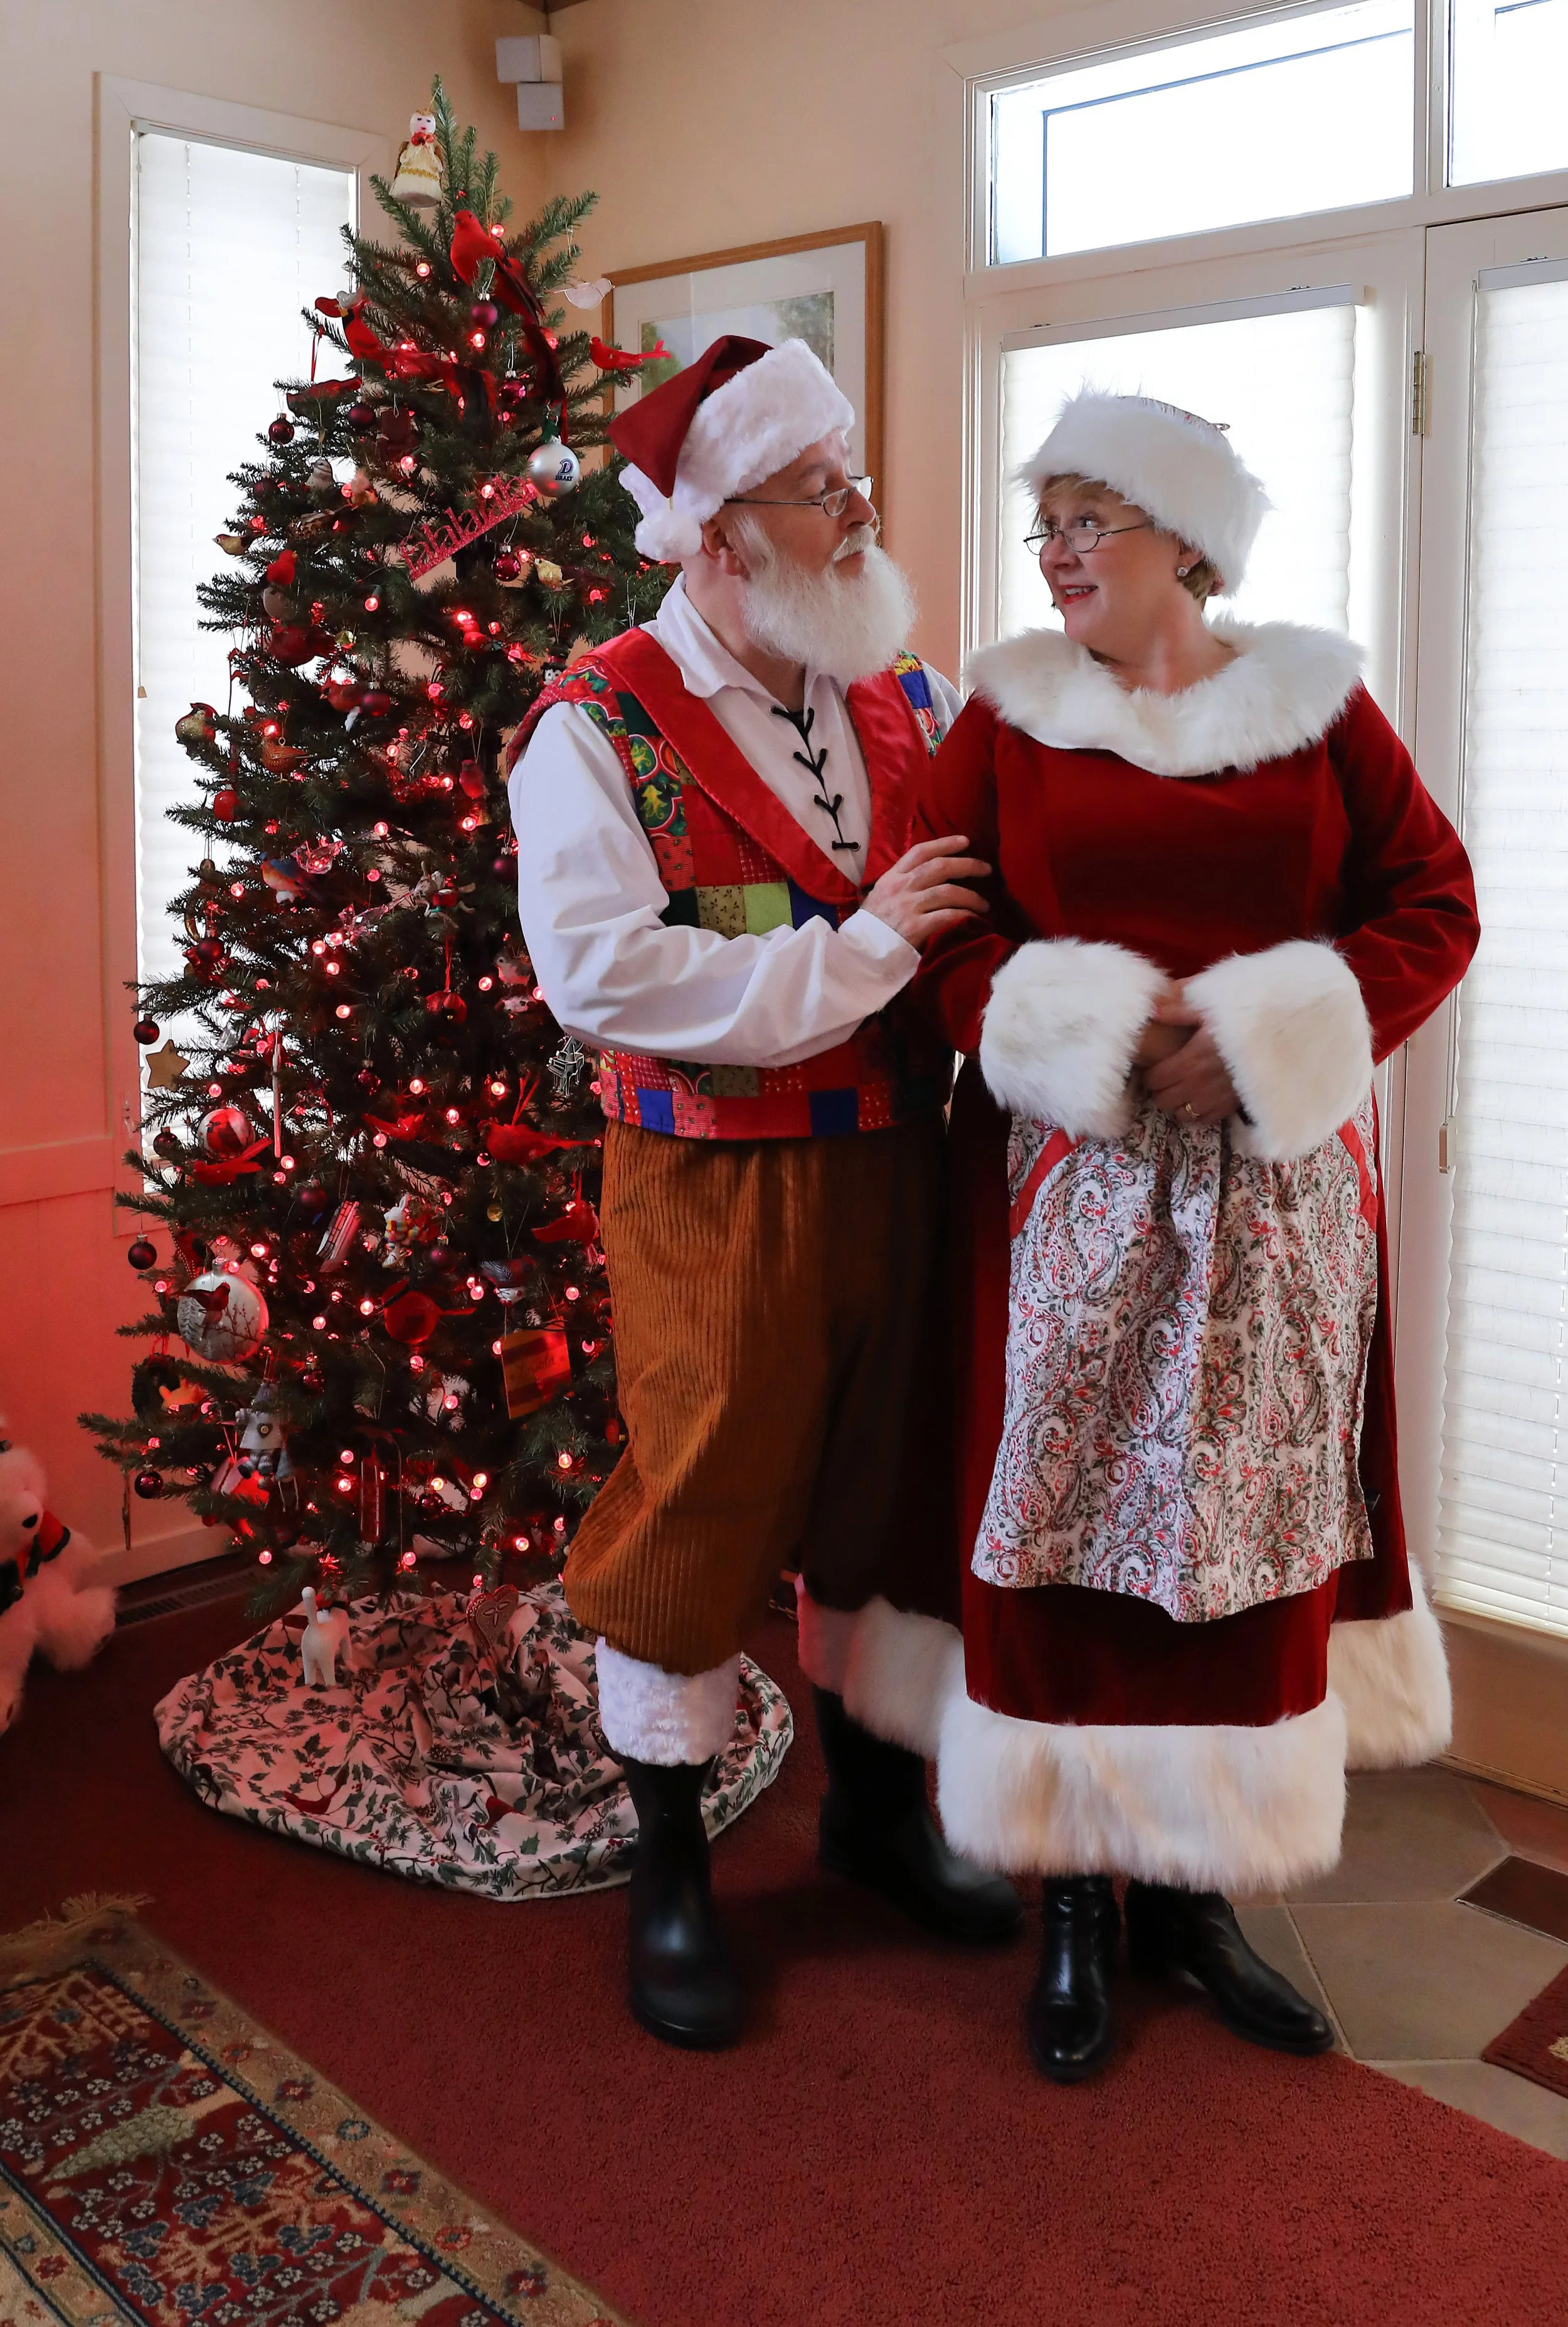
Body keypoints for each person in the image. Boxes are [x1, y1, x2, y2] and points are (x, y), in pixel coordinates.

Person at [908, 390, 1480, 2083]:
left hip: (1268, 1208)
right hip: (1067, 1195)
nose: (1059, 552)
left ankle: (1196, 1891)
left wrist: (1266, 1031)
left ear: (1186, 543)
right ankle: (1076, 1899)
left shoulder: (1315, 707)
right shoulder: (1008, 712)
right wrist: (1055, 1020)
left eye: (1095, 519)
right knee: (1069, 1522)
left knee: (1230, 1532)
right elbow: (930, 915)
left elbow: (1430, 902)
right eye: (1049, 522)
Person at [507, 336, 1022, 2052]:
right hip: (716, 1194)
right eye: (822, 490)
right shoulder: (593, 724)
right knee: (700, 1509)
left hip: (900, 1164)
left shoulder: (905, 695)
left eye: (848, 476)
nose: (859, 510)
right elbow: (600, 970)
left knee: (885, 1496)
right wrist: (863, 953)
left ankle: (875, 1817)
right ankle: (671, 1877)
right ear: (719, 534)